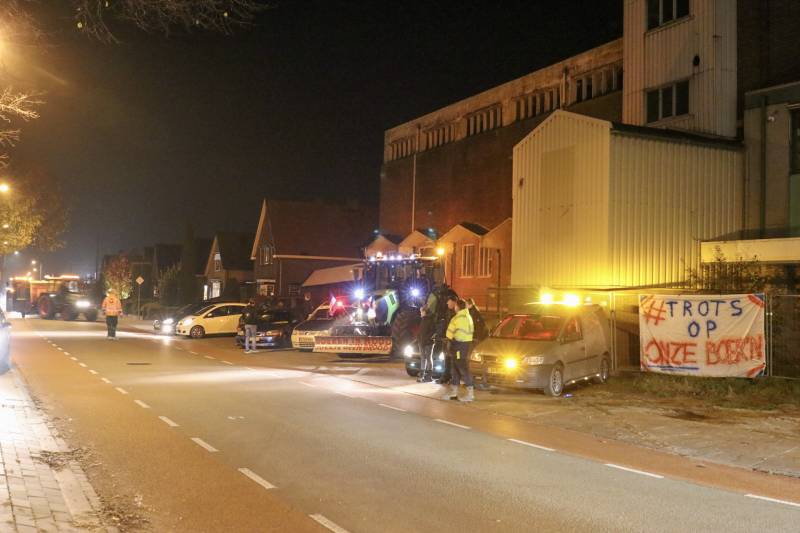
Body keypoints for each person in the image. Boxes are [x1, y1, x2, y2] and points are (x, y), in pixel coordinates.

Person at [441, 298, 475, 402]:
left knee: (462, 368)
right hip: (465, 345)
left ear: (458, 307)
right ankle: (454, 393)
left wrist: (447, 342)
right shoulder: (468, 316)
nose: (454, 307)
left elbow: (449, 334)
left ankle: (470, 394)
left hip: (458, 345)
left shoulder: (457, 318)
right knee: (455, 368)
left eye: (455, 306)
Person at [466, 298, 491, 390]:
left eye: (466, 305)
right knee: (472, 360)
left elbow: (475, 328)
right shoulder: (474, 313)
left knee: (471, 360)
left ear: (470, 305)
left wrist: (475, 337)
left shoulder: (473, 314)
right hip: (475, 339)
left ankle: (475, 381)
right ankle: (474, 381)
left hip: (475, 339)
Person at [416, 306, 436, 382]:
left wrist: (426, 339)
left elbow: (433, 331)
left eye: (421, 311)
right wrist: (418, 338)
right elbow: (421, 332)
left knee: (428, 357)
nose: (420, 313)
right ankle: (422, 375)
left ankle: (428, 376)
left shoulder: (430, 320)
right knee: (423, 358)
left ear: (424, 312)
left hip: (428, 343)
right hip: (422, 342)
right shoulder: (423, 320)